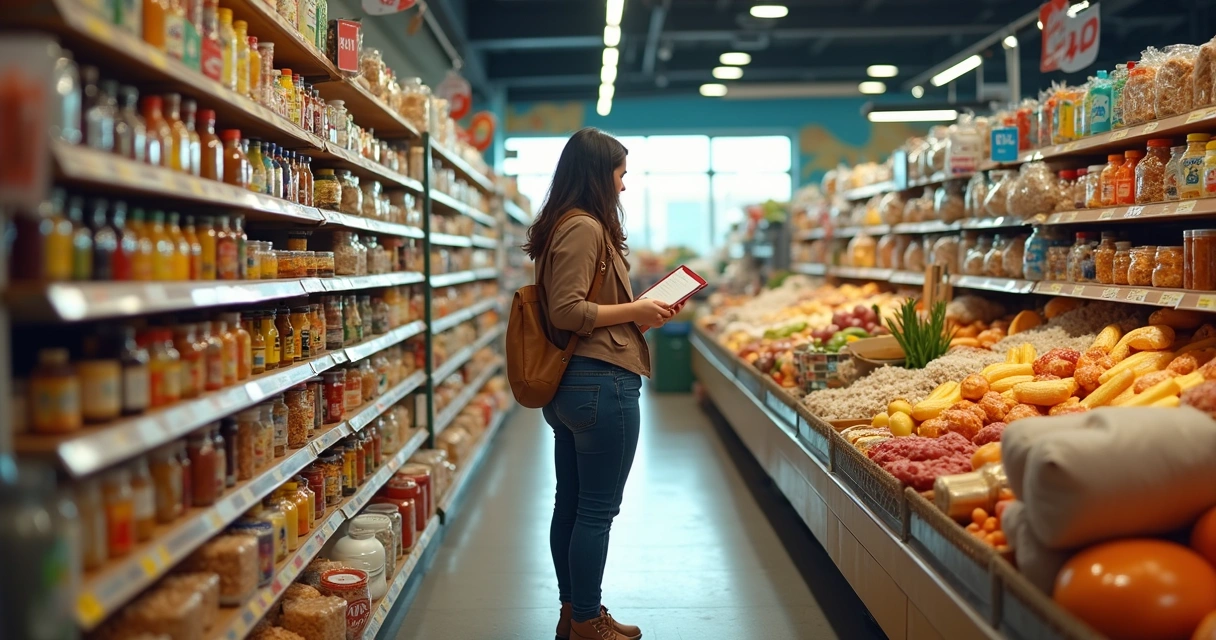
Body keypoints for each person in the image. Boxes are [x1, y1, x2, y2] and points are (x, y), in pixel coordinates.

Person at [523, 127, 680, 640]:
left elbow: (577, 308)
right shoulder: (584, 227)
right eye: (620, 174)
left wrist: (640, 316)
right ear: (598, 174)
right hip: (599, 384)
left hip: (576, 383)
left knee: (570, 504)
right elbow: (568, 311)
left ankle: (575, 614)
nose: (624, 186)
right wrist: (637, 309)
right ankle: (588, 620)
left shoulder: (566, 226)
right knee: (594, 510)